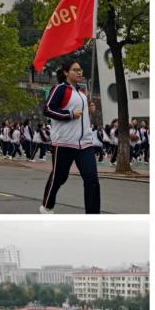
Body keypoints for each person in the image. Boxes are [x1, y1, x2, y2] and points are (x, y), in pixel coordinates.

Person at [40, 59, 100, 214]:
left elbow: (81, 114)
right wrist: (69, 114)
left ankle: (93, 216)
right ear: (66, 72)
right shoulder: (59, 89)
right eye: (75, 70)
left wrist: (89, 108)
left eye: (80, 70)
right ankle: (47, 206)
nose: (79, 72)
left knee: (92, 179)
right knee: (60, 177)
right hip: (64, 143)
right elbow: (47, 110)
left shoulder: (81, 92)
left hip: (85, 143)